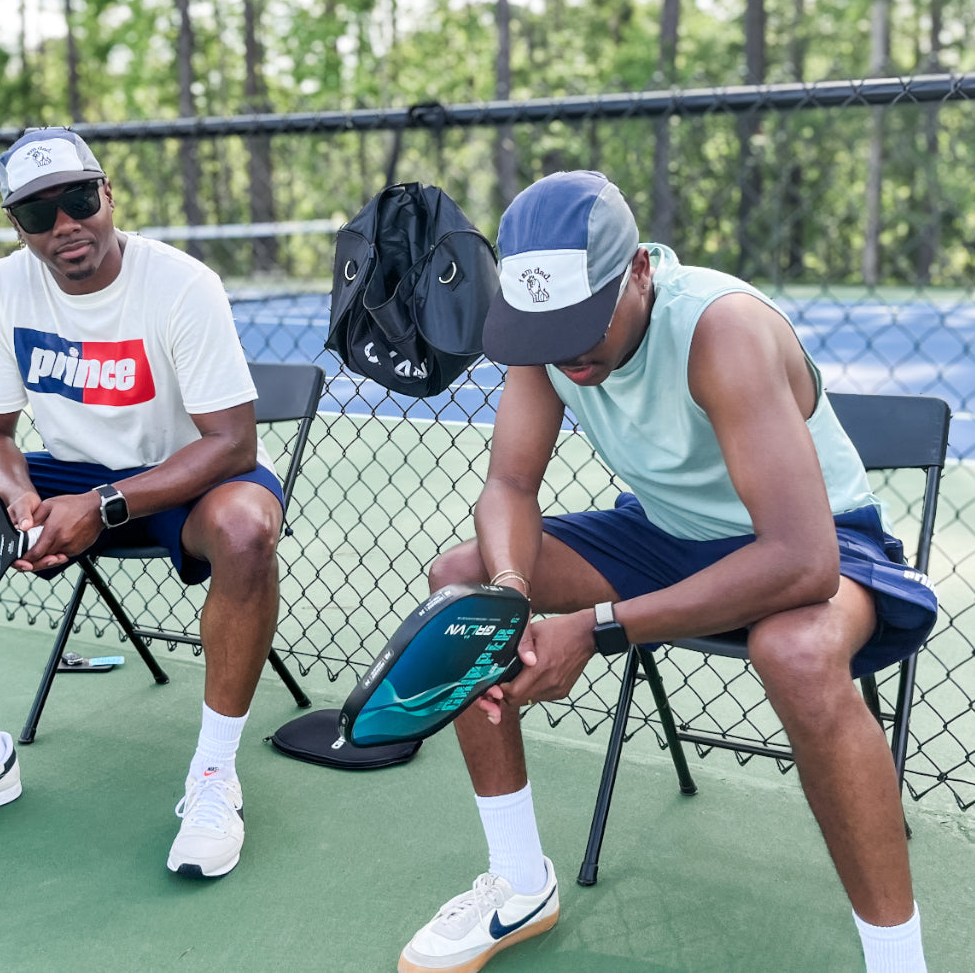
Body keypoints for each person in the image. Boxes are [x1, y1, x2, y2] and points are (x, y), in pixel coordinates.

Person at [398, 170, 937, 973]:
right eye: (547, 333)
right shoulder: (540, 335)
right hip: (661, 534)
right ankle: (518, 885)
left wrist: (599, 630)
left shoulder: (720, 329)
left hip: (815, 544)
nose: (568, 356)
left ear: (640, 271)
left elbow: (801, 559)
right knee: (466, 585)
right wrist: (511, 591)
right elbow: (509, 485)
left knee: (791, 651)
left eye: (585, 326)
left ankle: (898, 962)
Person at [0, 127, 285, 880]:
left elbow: (232, 444)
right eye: (37, 214)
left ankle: (215, 777)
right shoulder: (3, 287)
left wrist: (104, 505)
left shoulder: (182, 284)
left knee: (247, 529)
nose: (64, 225)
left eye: (78, 200)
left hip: (182, 478)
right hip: (65, 479)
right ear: (17, 227)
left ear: (108, 195)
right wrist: (22, 499)